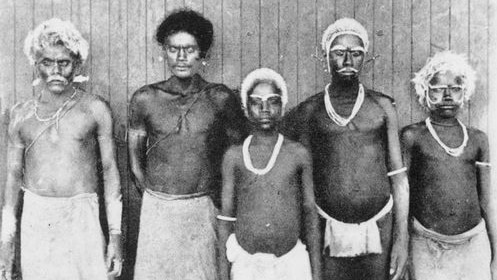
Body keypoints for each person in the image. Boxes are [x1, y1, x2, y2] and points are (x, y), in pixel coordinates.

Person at [282, 17, 409, 280]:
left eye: (356, 53)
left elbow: (399, 179)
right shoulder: (310, 110)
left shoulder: (383, 106)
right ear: (324, 57)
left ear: (366, 58)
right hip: (326, 224)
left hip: (380, 222)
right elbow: (303, 185)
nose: (348, 61)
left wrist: (402, 239)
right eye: (339, 53)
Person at [0, 18, 123, 280]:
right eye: (47, 62)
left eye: (64, 63)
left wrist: (115, 236)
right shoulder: (20, 115)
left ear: (77, 64)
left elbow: (110, 171)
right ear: (36, 64)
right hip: (37, 219)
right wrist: (6, 241)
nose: (55, 70)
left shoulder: (94, 108)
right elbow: (12, 178)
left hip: (82, 217)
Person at [128, 9, 247, 280]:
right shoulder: (145, 98)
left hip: (201, 209)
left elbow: (238, 156)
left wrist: (214, 198)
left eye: (189, 49)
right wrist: (156, 196)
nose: (181, 57)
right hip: (158, 211)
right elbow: (135, 161)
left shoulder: (219, 98)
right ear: (165, 51)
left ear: (201, 53)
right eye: (174, 49)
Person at [218, 68, 322, 280]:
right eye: (257, 102)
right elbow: (226, 218)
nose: (264, 109)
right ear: (246, 108)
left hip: (291, 264)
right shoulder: (234, 156)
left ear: (282, 106)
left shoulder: (297, 154)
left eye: (272, 101)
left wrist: (316, 273)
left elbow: (310, 215)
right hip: (246, 265)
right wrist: (222, 274)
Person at [403, 51, 496, 280]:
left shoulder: (477, 139)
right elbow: (402, 196)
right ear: (425, 92)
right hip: (427, 244)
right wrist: (402, 247)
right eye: (437, 88)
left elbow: (487, 199)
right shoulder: (412, 136)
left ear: (465, 93)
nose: (447, 95)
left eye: (455, 88)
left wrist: (496, 251)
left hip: (473, 243)